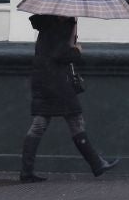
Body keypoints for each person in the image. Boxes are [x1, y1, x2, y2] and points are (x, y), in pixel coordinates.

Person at [19, 14, 119, 183]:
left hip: (43, 80)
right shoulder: (59, 27)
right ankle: (97, 164)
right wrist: (76, 50)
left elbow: (52, 53)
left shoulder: (46, 24)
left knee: (40, 124)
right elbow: (60, 54)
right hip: (57, 83)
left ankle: (26, 171)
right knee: (75, 120)